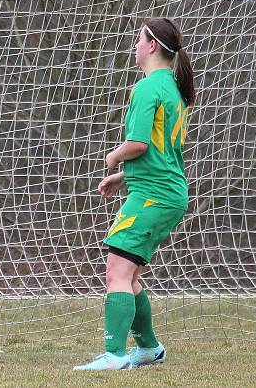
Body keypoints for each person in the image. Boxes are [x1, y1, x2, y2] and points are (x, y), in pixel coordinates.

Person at [75, 18, 195, 371]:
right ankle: (149, 349)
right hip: (160, 190)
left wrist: (114, 156)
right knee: (129, 275)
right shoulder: (171, 87)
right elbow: (159, 152)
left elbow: (140, 143)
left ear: (152, 46)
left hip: (155, 195)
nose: (135, 45)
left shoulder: (147, 89)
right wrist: (124, 177)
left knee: (117, 271)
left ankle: (114, 356)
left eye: (139, 39)